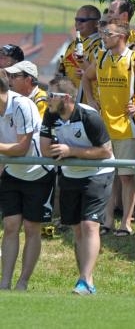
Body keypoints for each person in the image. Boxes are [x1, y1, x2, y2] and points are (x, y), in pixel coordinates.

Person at [82, 20, 135, 236]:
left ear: (121, 36)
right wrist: (91, 99)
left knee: (126, 175)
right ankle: (107, 220)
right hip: (104, 124)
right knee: (107, 173)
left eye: (107, 33)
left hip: (127, 124)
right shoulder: (100, 57)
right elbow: (86, 77)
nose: (103, 36)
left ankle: (126, 221)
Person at [40, 76, 114, 295]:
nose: (47, 100)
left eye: (51, 96)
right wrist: (60, 152)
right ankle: (85, 280)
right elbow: (45, 149)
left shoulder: (89, 116)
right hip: (70, 176)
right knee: (77, 229)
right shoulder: (50, 115)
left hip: (98, 173)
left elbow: (105, 151)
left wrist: (71, 151)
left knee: (90, 225)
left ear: (67, 98)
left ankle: (85, 280)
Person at [0, 70, 54, 290]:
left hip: (38, 172)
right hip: (12, 171)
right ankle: (4, 283)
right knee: (10, 225)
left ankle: (23, 282)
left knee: (32, 228)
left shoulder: (22, 105)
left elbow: (22, 148)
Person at [58, 5, 101, 102]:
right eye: (76, 20)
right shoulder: (72, 45)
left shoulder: (101, 46)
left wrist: (87, 73)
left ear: (96, 23)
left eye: (82, 20)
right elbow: (63, 71)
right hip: (68, 104)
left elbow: (101, 75)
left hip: (88, 105)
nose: (77, 23)